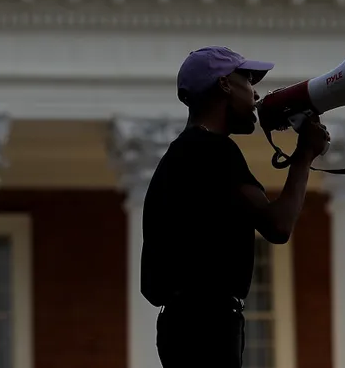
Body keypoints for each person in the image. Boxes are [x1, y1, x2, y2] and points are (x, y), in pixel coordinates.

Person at [140, 46, 331, 368]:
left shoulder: (184, 153)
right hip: (207, 323)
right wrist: (304, 155)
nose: (255, 93)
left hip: (186, 322)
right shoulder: (212, 150)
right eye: (247, 80)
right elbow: (278, 225)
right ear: (225, 84)